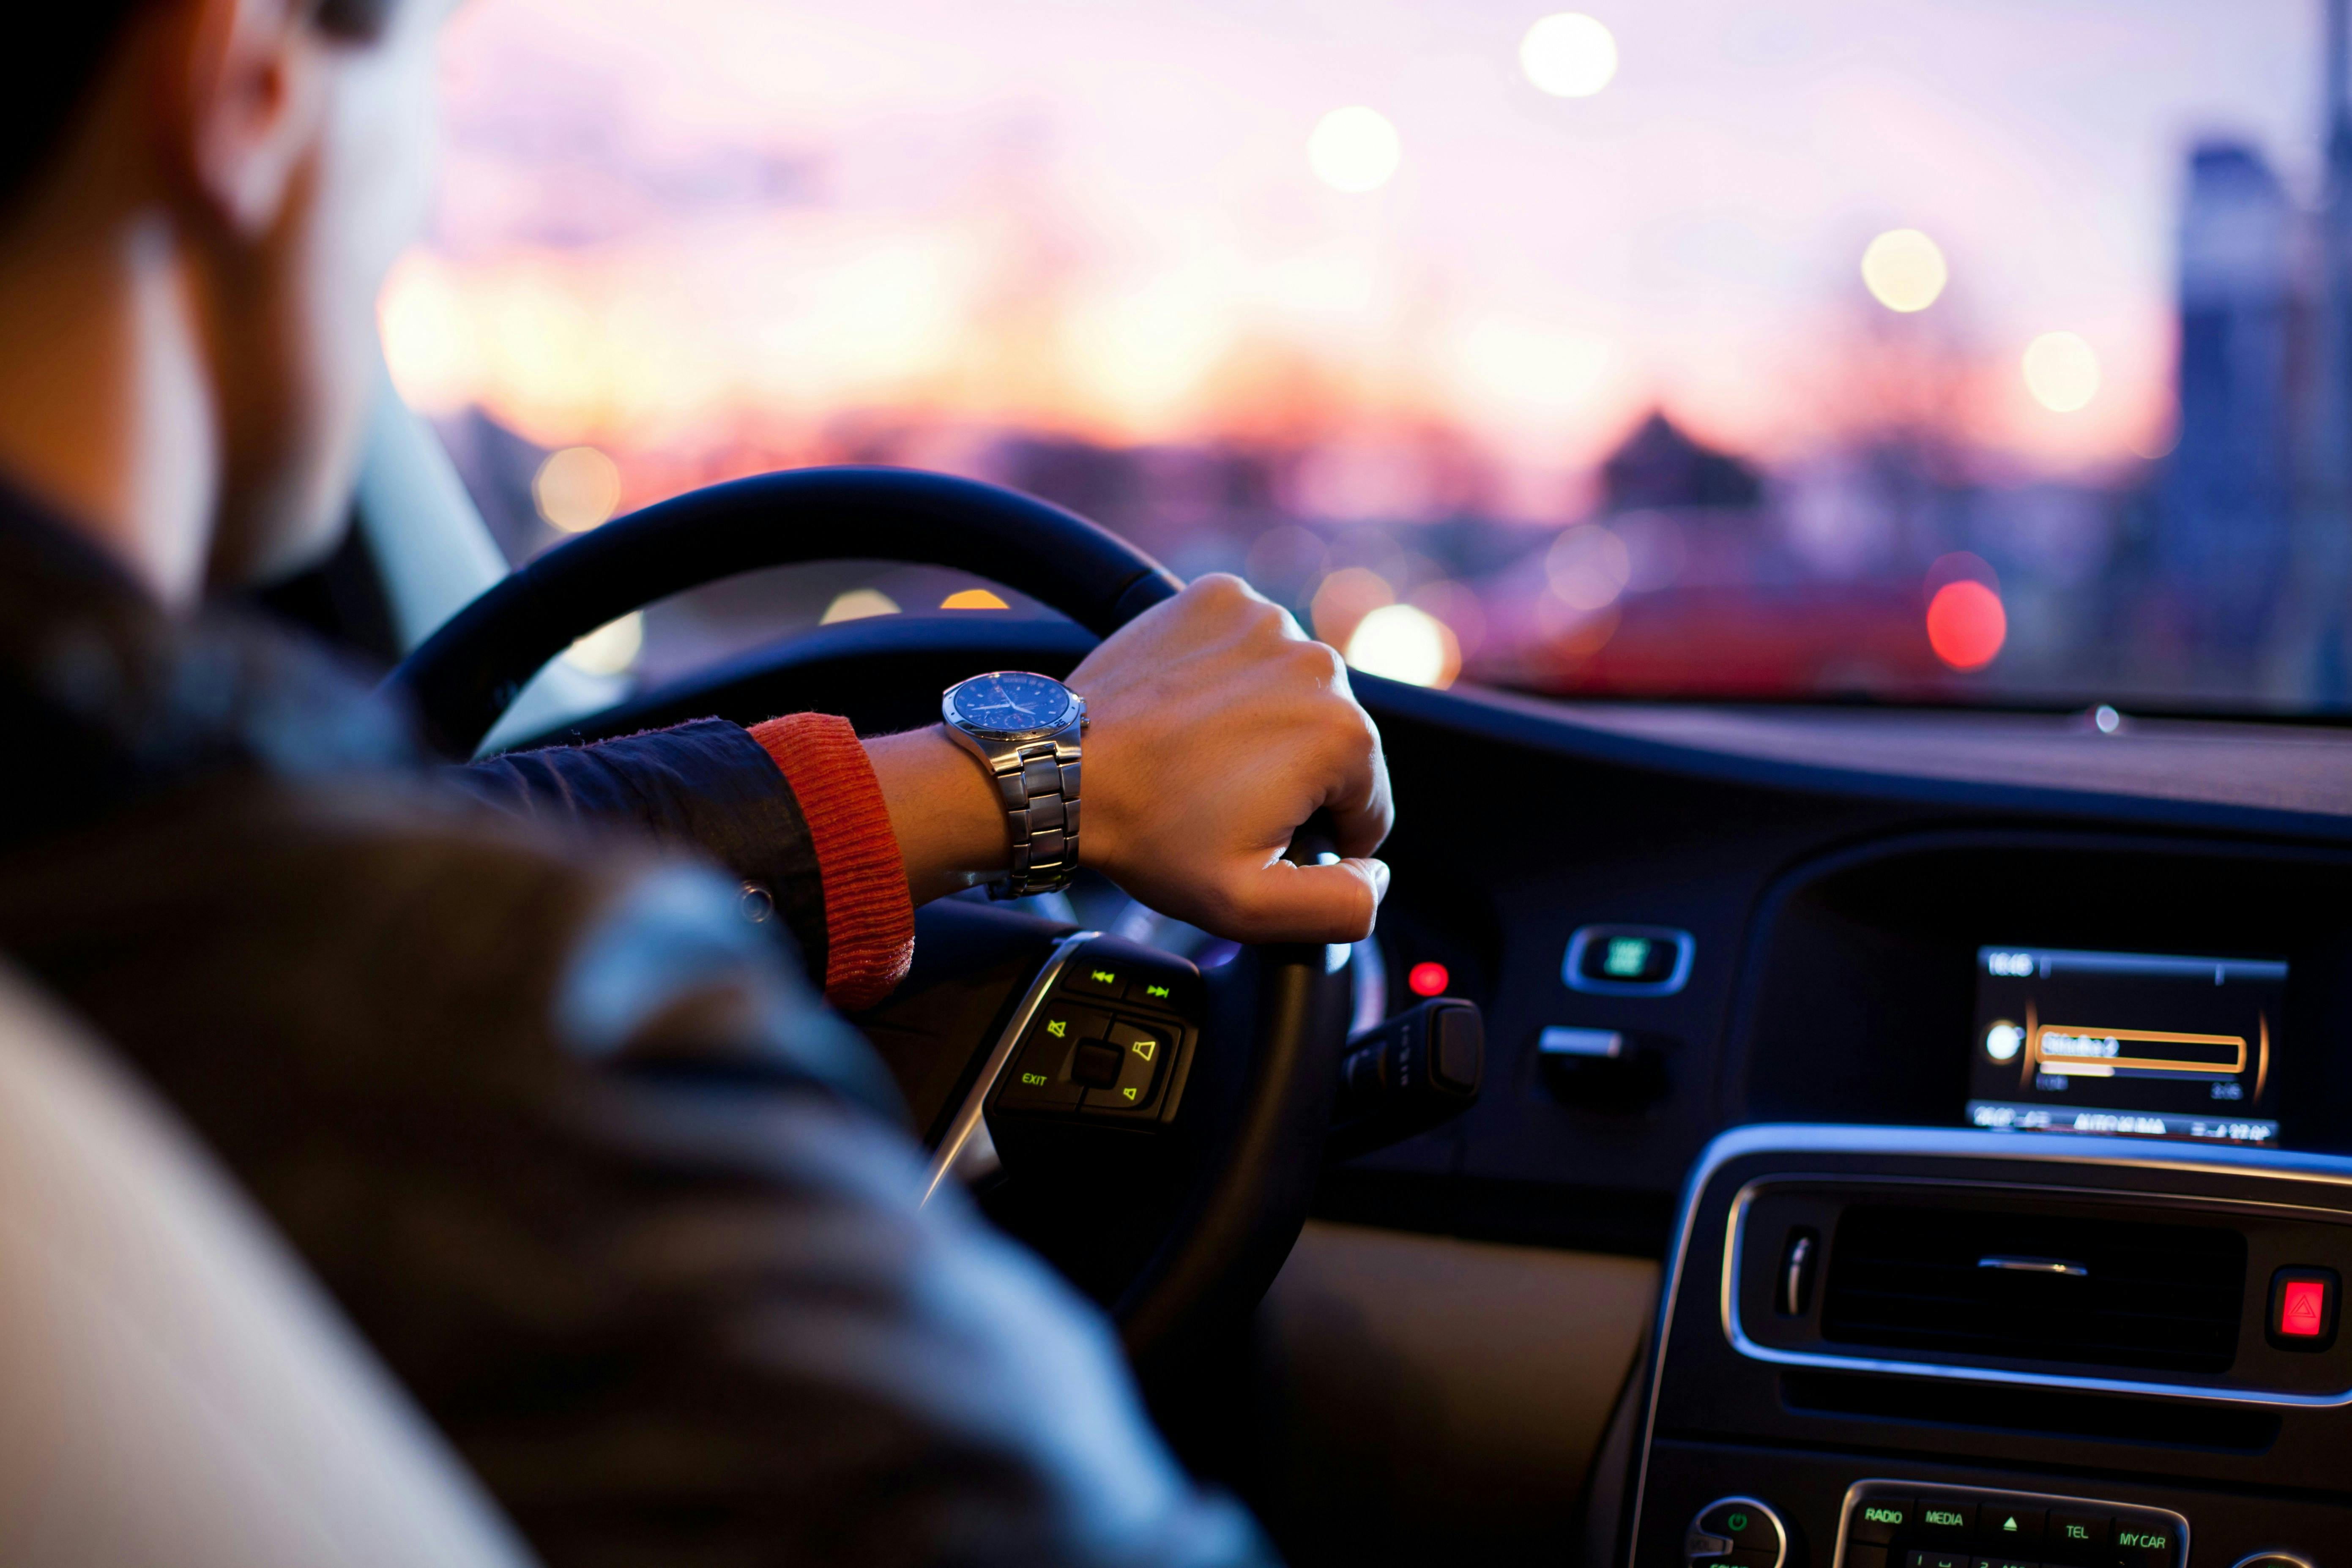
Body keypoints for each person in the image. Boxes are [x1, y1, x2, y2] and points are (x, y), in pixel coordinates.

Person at [0, 1, 1394, 1565]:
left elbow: (397, 830)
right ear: (251, 82)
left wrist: (1026, 783)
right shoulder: (489, 1040)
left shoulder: (133, 877)